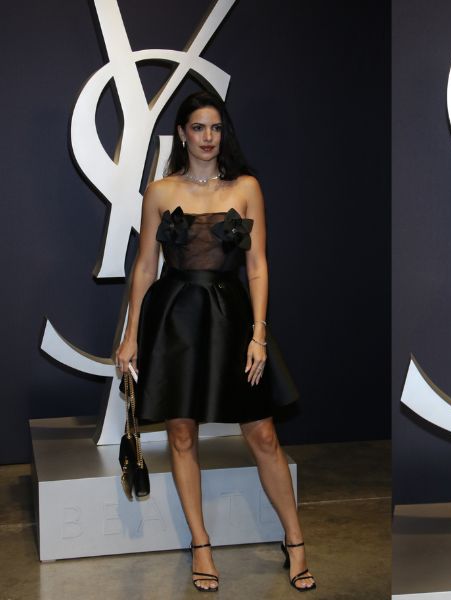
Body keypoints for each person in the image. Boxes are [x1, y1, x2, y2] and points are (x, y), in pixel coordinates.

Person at [115, 91, 316, 593]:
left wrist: (259, 334)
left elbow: (258, 266)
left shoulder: (246, 187)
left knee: (263, 434)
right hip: (174, 320)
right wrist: (131, 335)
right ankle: (201, 545)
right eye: (199, 128)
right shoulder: (159, 192)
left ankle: (295, 542)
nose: (208, 137)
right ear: (182, 134)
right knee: (182, 434)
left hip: (231, 319)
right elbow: (145, 267)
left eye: (216, 128)